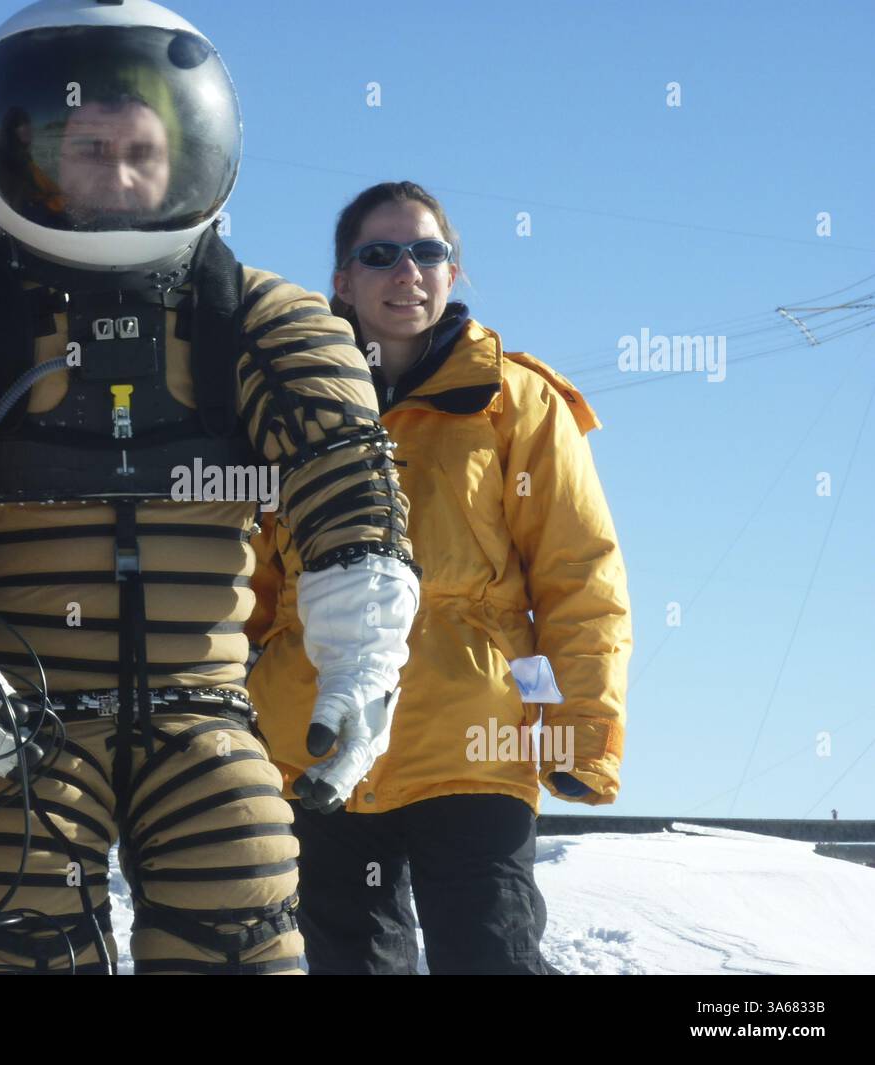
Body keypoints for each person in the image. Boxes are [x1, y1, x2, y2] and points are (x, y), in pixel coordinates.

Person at [0, 0, 419, 975]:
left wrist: (360, 665)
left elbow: (342, 484)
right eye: (87, 148)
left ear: (187, 158)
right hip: (14, 717)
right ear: (25, 154)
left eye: (139, 150)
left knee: (244, 918)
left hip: (208, 716)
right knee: (16, 933)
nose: (117, 173)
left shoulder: (266, 321)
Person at [247, 181, 632, 975]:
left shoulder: (516, 400)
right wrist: (229, 721)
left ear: (452, 272)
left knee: (490, 957)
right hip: (318, 746)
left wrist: (582, 729)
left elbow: (579, 574)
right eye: (380, 254)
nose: (407, 271)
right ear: (343, 279)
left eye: (428, 252)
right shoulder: (286, 411)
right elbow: (245, 590)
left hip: (475, 745)